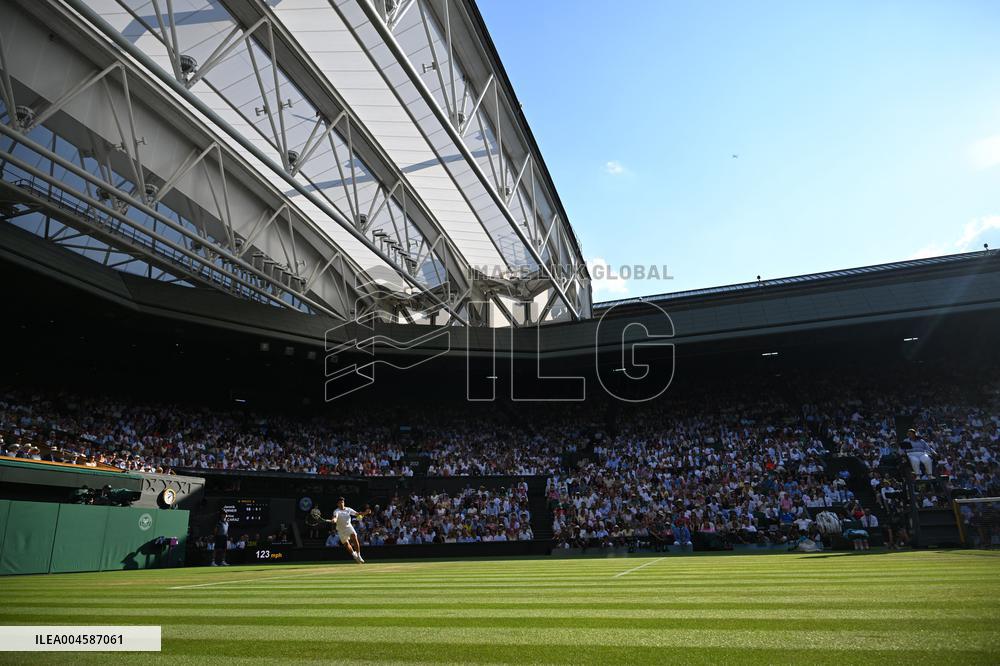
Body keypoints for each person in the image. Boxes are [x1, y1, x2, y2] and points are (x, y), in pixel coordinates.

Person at [326, 497, 371, 564]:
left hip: (348, 527)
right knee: (346, 544)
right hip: (341, 530)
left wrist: (365, 513)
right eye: (340, 502)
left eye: (342, 502)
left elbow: (358, 514)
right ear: (337, 504)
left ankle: (359, 555)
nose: (342, 503)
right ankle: (354, 555)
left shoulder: (348, 509)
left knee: (354, 537)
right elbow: (335, 517)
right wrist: (334, 520)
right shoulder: (336, 511)